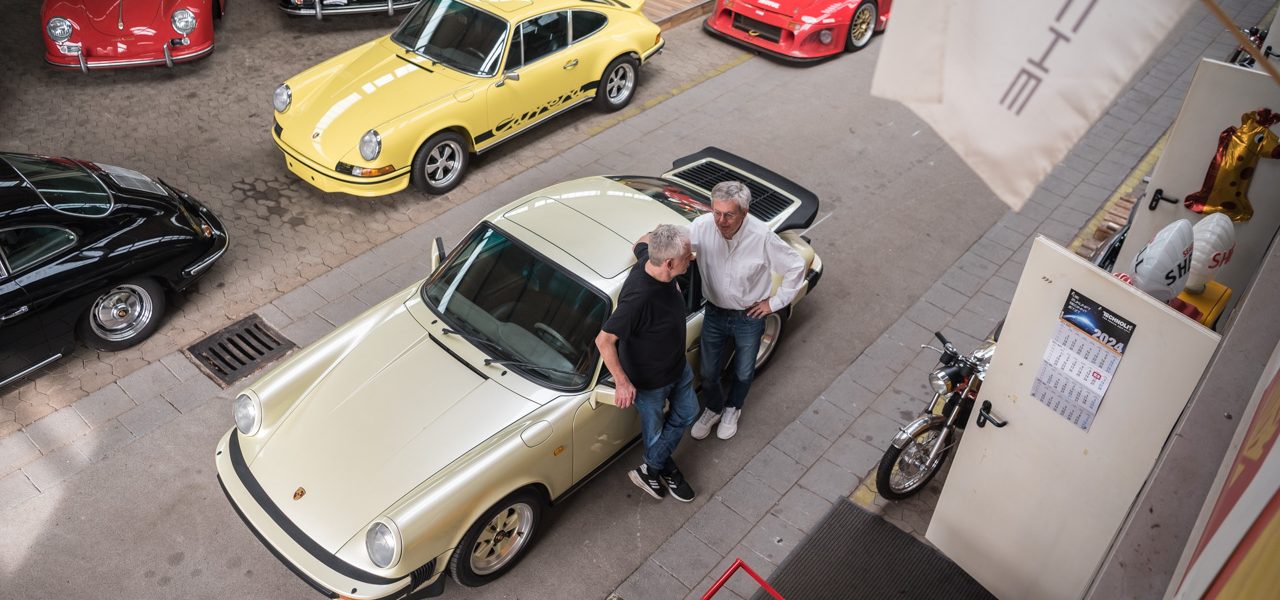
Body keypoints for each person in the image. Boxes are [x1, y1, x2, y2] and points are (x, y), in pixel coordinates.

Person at [689, 180, 805, 440]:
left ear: (745, 212)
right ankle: (714, 407)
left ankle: (733, 408)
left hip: (749, 317)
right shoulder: (701, 227)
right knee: (707, 373)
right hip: (715, 313)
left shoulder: (761, 236)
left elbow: (796, 266)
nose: (720, 220)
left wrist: (773, 304)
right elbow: (680, 251)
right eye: (716, 212)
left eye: (728, 214)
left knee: (743, 371)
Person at [595, 224, 699, 502]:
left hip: (677, 366)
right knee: (654, 434)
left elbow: (640, 240)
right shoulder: (639, 299)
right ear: (668, 263)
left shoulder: (647, 258)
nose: (692, 258)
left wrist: (661, 233)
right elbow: (603, 341)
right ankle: (659, 467)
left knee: (689, 413)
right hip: (650, 383)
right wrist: (622, 382)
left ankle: (650, 469)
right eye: (687, 256)